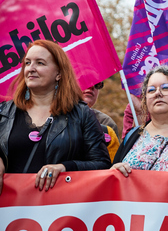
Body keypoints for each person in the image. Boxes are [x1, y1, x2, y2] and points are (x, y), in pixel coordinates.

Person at [0, 40, 110, 193]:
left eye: (40, 63)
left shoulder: (82, 115)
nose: (31, 68)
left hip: (58, 210)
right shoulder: (3, 113)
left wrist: (65, 167)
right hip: (9, 211)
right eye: (27, 63)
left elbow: (102, 164)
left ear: (58, 73)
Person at [82, 81, 120, 161]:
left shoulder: (106, 123)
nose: (91, 86)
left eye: (97, 84)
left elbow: (113, 166)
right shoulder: (52, 117)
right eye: (83, 80)